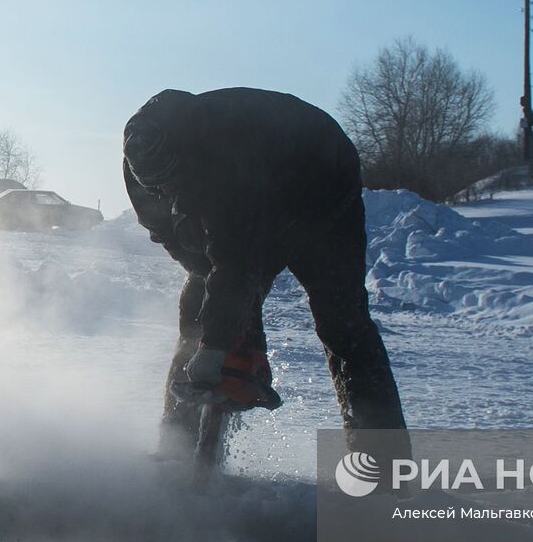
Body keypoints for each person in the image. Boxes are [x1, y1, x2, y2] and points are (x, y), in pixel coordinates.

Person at [122, 87, 408, 459]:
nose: (166, 191)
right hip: (245, 199)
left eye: (174, 181)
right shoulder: (141, 158)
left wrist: (217, 344)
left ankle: (383, 467)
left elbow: (236, 259)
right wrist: (216, 329)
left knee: (343, 323)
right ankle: (177, 452)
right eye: (159, 186)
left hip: (321, 185)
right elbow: (176, 240)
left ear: (189, 158)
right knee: (199, 308)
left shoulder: (228, 155)